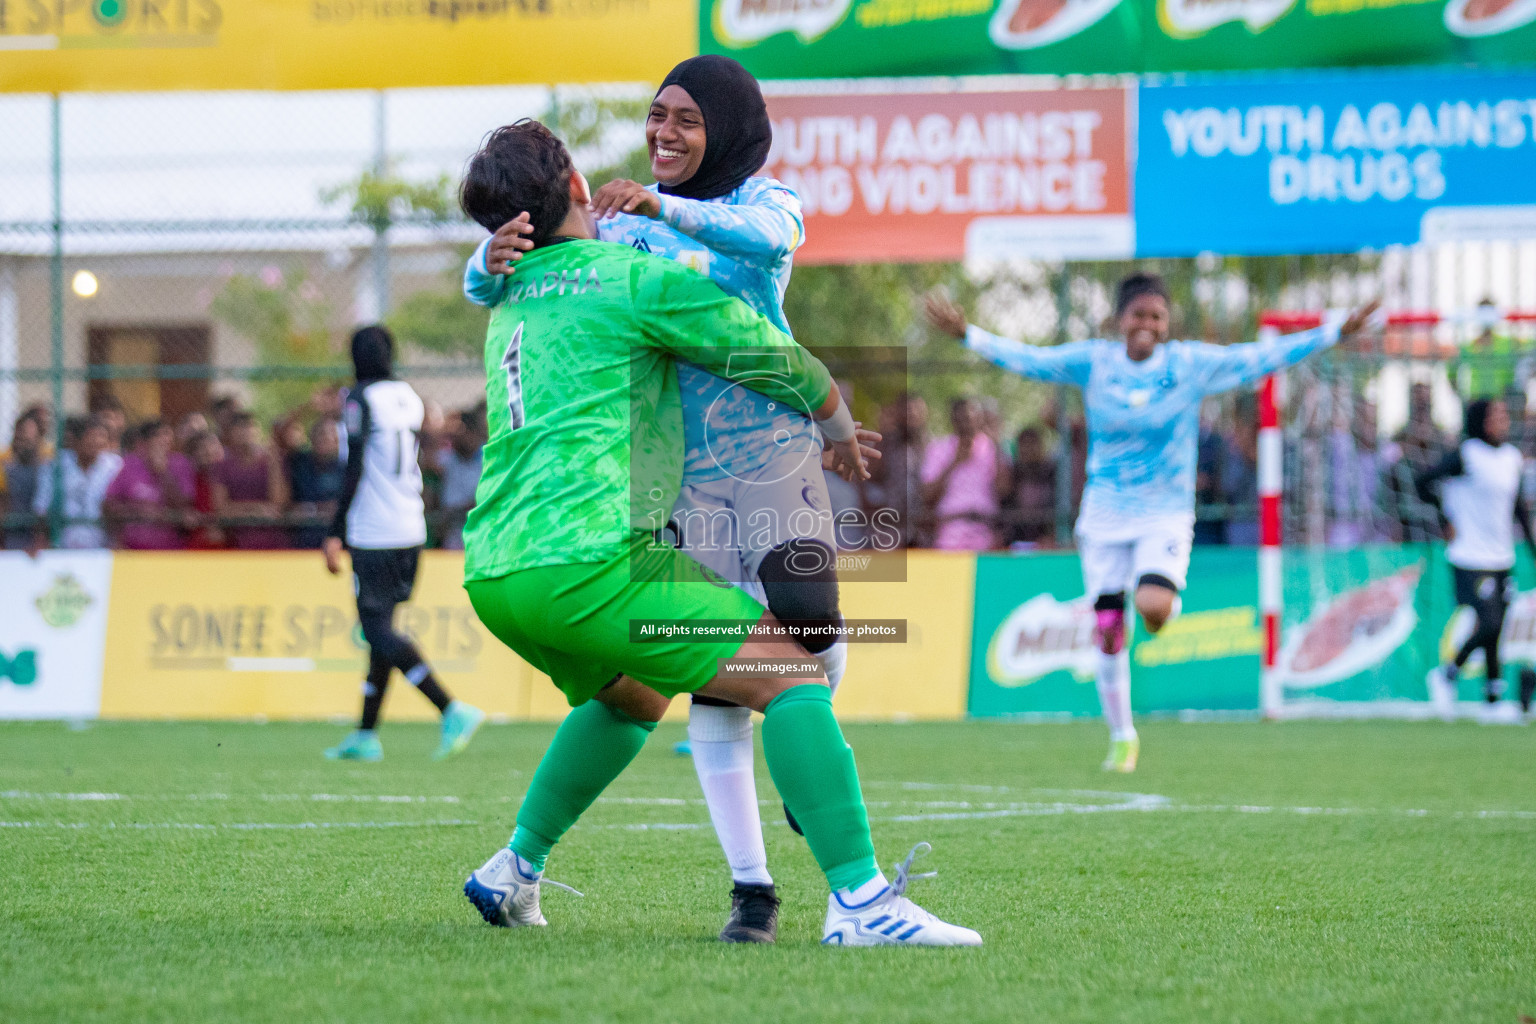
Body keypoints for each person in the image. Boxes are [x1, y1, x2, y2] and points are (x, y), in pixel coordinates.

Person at [455, 119, 977, 947]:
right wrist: (838, 424)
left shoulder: (508, 291)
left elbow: (484, 277)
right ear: (581, 189)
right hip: (593, 562)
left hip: (496, 572)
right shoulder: (626, 276)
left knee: (633, 700)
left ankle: (514, 870)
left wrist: (483, 258)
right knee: (796, 679)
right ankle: (862, 904)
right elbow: (765, 351)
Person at [927, 275, 1378, 771]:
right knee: (1107, 631)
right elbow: (1031, 360)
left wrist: (1334, 330)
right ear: (1120, 320)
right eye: (1138, 315)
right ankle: (1122, 736)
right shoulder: (1095, 362)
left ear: (1167, 324)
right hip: (1103, 514)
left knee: (1153, 606)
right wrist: (968, 333)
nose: (1147, 325)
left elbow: (1258, 358)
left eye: (1156, 317)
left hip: (1164, 512)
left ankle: (1162, 606)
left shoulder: (1188, 365)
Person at [321, 325, 486, 763]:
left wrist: (335, 530)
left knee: (375, 628)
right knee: (383, 630)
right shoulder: (409, 396)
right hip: (410, 528)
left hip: (373, 531)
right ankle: (365, 734)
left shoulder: (359, 398)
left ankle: (450, 708)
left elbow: (354, 464)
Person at [1417, 398, 1536, 719]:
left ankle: (1492, 700)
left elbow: (1518, 509)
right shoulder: (1466, 455)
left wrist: (1532, 548)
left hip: (1501, 555)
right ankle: (1447, 673)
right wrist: (1445, 518)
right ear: (1479, 420)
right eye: (1495, 415)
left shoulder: (1512, 458)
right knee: (1490, 621)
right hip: (1469, 554)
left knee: (1497, 627)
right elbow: (1422, 482)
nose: (1502, 420)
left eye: (1503, 414)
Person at [920, 397, 1008, 550]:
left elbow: (1003, 490)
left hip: (985, 530)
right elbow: (927, 495)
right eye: (961, 418)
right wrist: (953, 463)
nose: (966, 423)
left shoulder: (992, 448)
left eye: (970, 417)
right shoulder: (938, 448)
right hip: (950, 531)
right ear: (953, 420)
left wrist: (997, 447)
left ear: (980, 419)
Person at [32, 415, 122, 549]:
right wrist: (40, 541)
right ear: (76, 440)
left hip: (101, 546)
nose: (97, 441)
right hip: (62, 545)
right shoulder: (55, 466)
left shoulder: (115, 466)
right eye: (91, 436)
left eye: (102, 436)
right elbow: (42, 507)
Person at [103, 420, 193, 550]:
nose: (164, 440)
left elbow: (184, 505)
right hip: (133, 549)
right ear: (144, 442)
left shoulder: (180, 463)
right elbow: (109, 503)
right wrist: (137, 511)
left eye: (167, 435)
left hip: (171, 550)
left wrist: (163, 472)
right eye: (158, 436)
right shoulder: (130, 464)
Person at [214, 412, 290, 549]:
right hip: (235, 541)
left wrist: (274, 464)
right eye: (240, 428)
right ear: (231, 433)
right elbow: (220, 507)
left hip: (272, 541)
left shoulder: (272, 462)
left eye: (250, 427)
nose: (246, 433)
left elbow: (278, 504)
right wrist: (257, 510)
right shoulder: (223, 466)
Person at [287, 416, 345, 549]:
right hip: (303, 542)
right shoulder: (299, 461)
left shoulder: (349, 466)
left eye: (332, 434)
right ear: (311, 438)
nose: (326, 439)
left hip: (339, 542)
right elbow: (279, 433)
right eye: (321, 434)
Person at [434, 405, 485, 551]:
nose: (454, 437)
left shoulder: (488, 459)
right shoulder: (449, 458)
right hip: (452, 538)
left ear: (472, 432)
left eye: (459, 431)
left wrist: (458, 512)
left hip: (479, 534)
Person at [2, 410, 46, 549]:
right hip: (11, 536)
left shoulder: (48, 468)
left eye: (28, 438)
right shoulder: (5, 468)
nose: (23, 442)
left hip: (37, 539)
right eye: (19, 436)